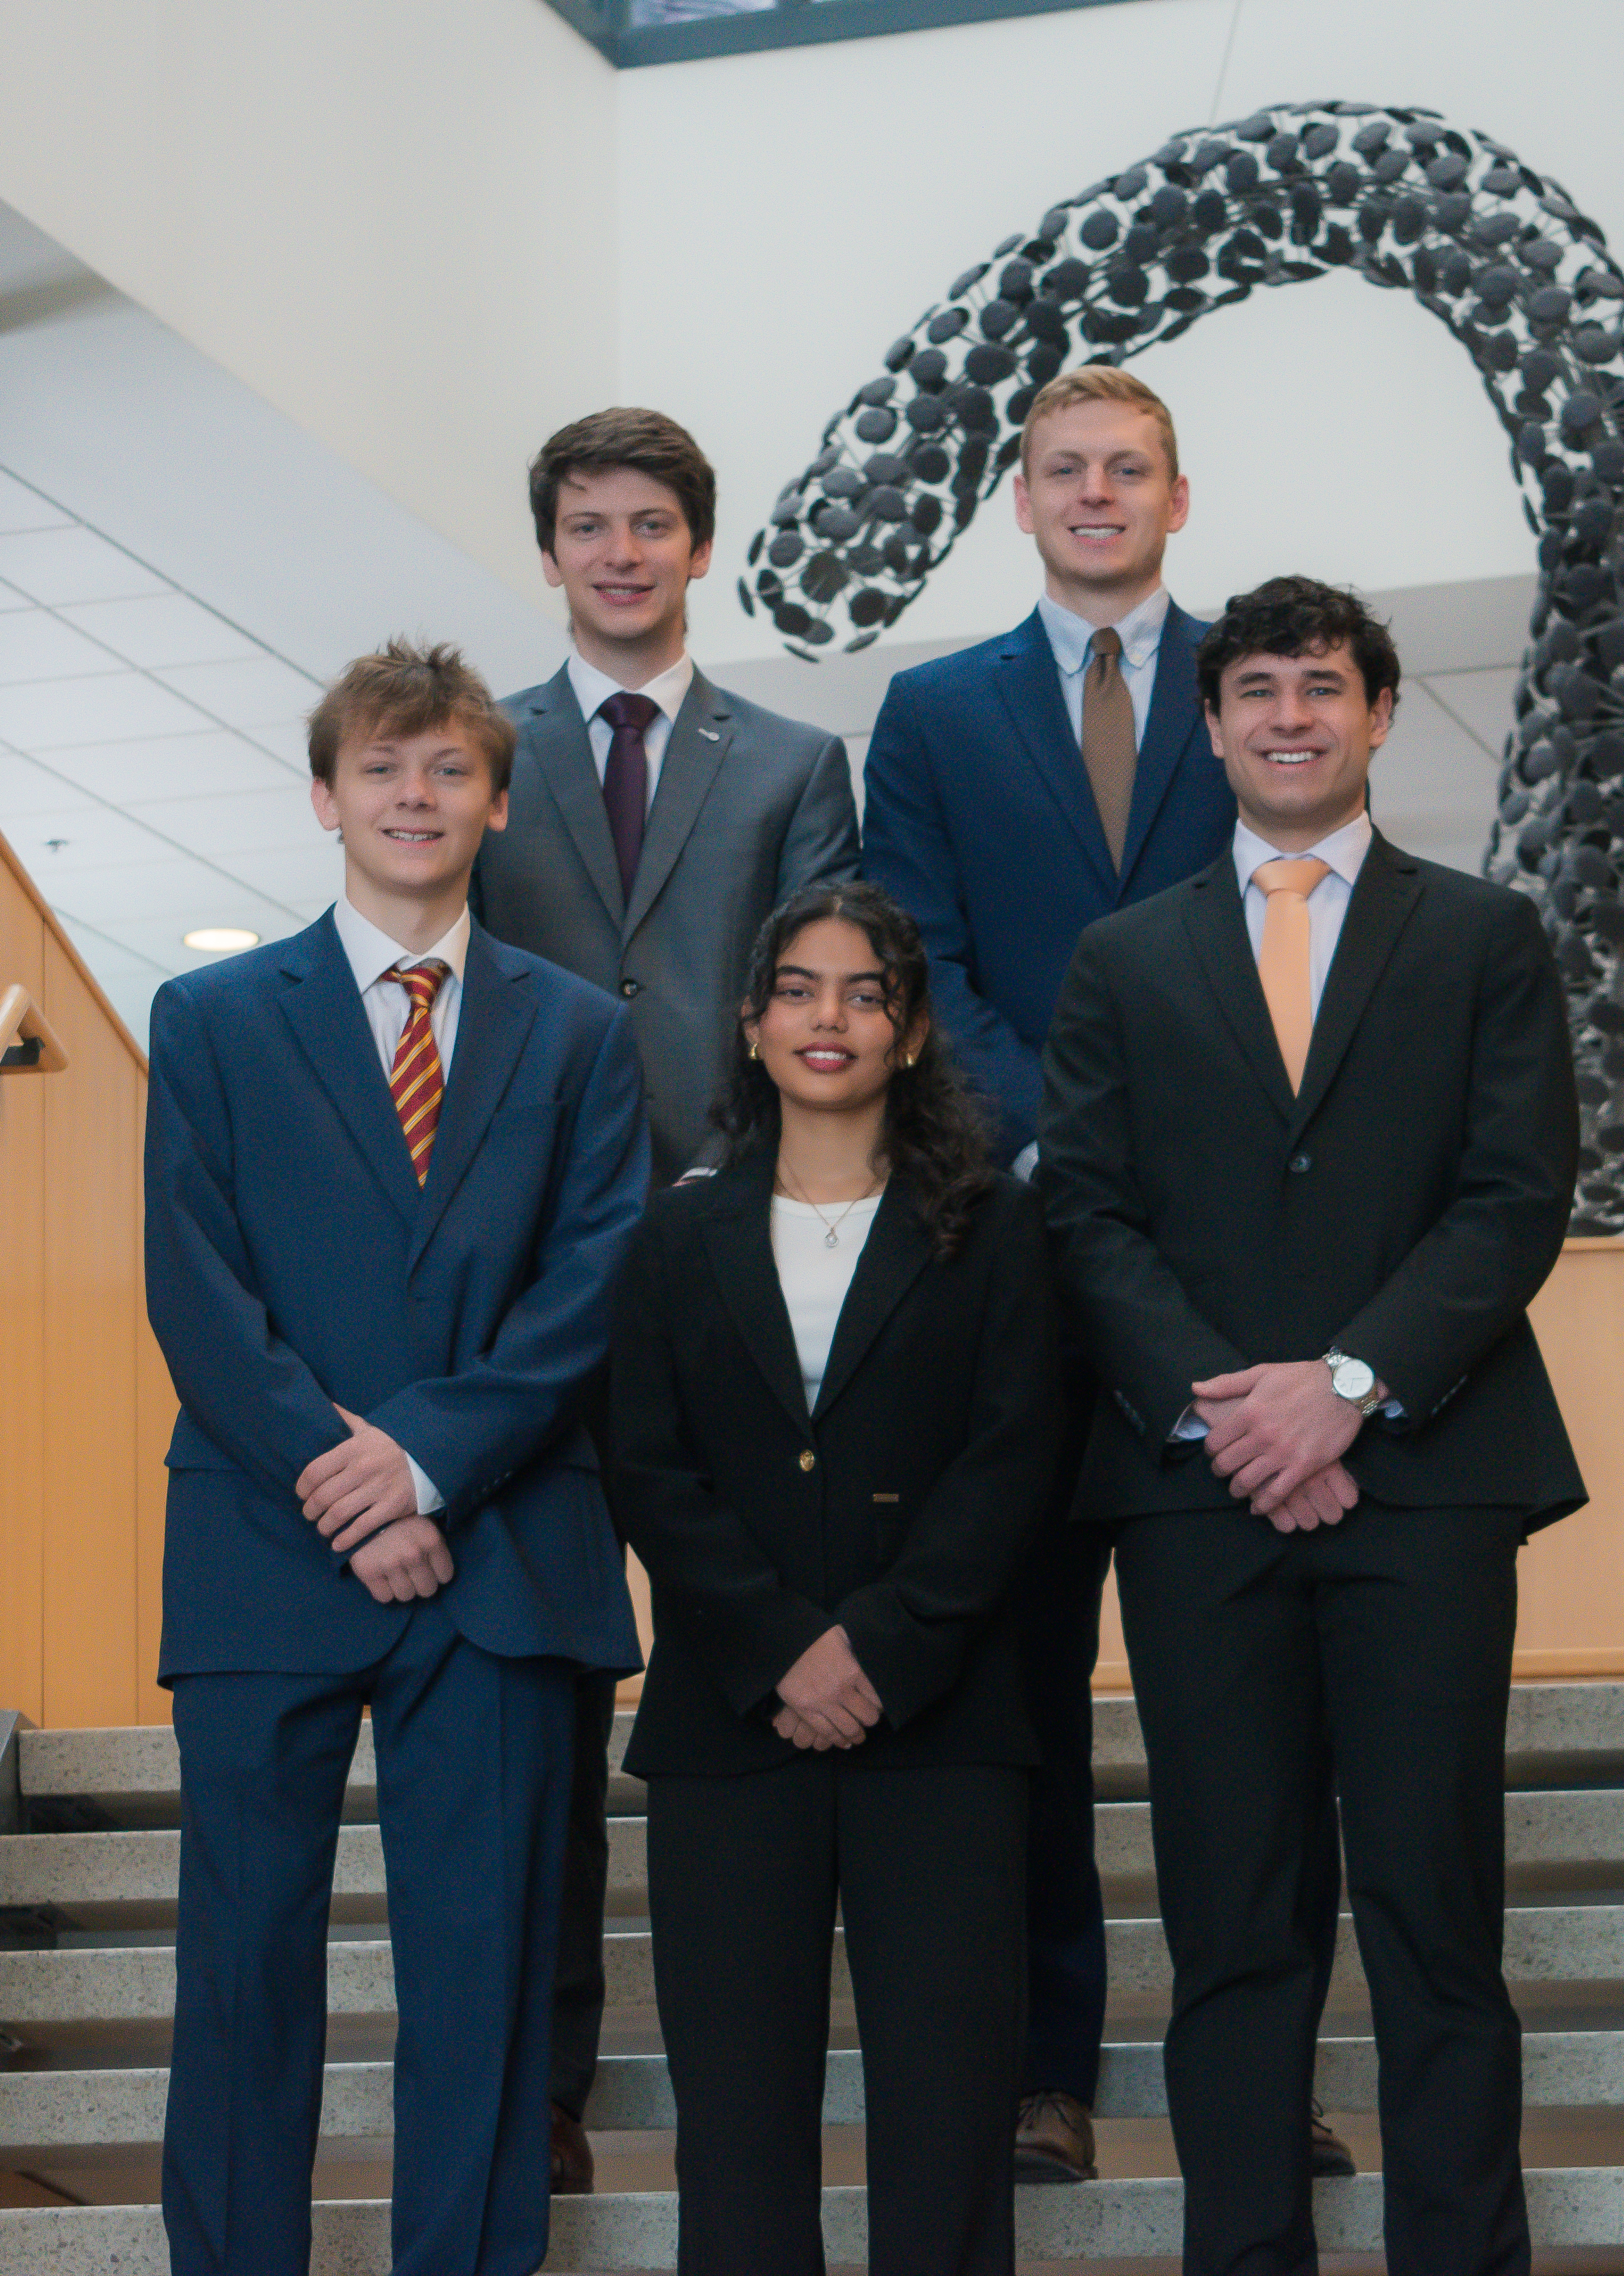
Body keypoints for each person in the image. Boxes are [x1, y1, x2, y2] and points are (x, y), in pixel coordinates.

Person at [1038, 577, 1586, 2276]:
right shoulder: (1121, 960)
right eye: (1257, 688)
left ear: (1375, 714)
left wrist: (1342, 1387)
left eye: (1322, 686)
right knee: (1235, 1933)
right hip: (1201, 1504)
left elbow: (1513, 1200)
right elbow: (1089, 1219)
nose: (1289, 713)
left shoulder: (1484, 934)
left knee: (1434, 1922)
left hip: (1427, 1485)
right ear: (1208, 726)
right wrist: (1236, 1415)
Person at [864, 368, 1356, 2188]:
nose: (1094, 494)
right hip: (1011, 1254)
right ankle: (1041, 2072)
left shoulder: (1263, 682)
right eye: (1062, 470)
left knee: (1249, 1704)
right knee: (1020, 1689)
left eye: (1125, 470)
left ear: (1177, 494)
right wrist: (1065, 1146)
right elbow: (919, 960)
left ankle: (1262, 2065)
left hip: (1237, 1271)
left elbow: (1303, 912)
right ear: (1019, 501)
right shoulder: (927, 715)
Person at [145, 640, 648, 2276]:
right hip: (262, 1548)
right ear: (323, 798)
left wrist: (423, 1468)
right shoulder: (211, 1015)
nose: (413, 795)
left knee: (482, 1974)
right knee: (241, 1969)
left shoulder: (577, 1032)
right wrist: (344, 1481)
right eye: (380, 768)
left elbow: (593, 1283)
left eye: (446, 770)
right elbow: (194, 1282)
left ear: (497, 802)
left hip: (496, 1559)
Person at [471, 406, 860, 2189]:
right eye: (587, 525)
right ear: (548, 550)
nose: (620, 552)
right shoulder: (476, 755)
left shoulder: (790, 762)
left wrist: (721, 1193)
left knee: (745, 1632)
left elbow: (806, 1004)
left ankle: (762, 2066)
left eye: (651, 525)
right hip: (528, 1274)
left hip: (729, 1259)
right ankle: (544, 2082)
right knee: (546, 1682)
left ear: (699, 548)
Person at [609, 881, 1062, 2276]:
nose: (830, 1016)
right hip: (730, 1733)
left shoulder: (994, 1229)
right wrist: (780, 1652)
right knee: (737, 2132)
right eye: (798, 988)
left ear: (912, 1031)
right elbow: (646, 1462)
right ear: (750, 1025)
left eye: (866, 991)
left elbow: (1017, 1456)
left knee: (946, 2120)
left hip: (944, 1726)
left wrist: (880, 1644)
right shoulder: (675, 1237)